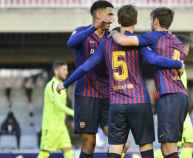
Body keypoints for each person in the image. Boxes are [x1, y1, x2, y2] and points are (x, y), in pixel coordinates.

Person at [57, 5, 183, 158]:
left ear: (118, 19)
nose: (110, 17)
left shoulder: (107, 42)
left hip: (116, 102)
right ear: (135, 20)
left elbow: (85, 67)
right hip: (139, 101)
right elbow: (153, 59)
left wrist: (65, 83)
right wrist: (177, 63)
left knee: (116, 147)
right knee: (145, 145)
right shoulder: (139, 42)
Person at [111, 7, 189, 158]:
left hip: (169, 95)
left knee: (169, 146)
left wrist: (114, 31)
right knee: (168, 147)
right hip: (181, 96)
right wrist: (177, 64)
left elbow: (123, 40)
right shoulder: (177, 41)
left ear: (156, 21)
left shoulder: (153, 37)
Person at [66, 1, 114, 157]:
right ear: (98, 14)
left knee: (117, 140)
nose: (112, 18)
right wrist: (94, 27)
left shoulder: (112, 37)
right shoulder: (81, 31)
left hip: (107, 95)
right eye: (109, 14)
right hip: (86, 94)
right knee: (89, 141)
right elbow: (70, 43)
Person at [37, 61, 74, 158]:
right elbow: (58, 105)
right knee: (44, 154)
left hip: (61, 127)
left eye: (67, 70)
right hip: (50, 128)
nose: (66, 72)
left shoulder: (62, 86)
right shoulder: (52, 85)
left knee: (69, 151)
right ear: (56, 71)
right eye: (64, 70)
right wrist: (74, 113)